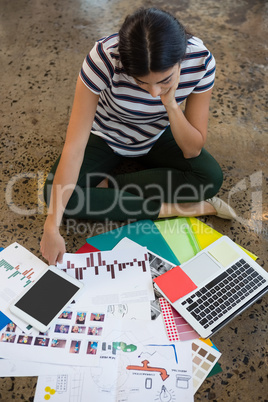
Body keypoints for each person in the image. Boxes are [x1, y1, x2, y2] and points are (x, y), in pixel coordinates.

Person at [40, 7, 236, 265]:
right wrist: (51, 228)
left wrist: (171, 104)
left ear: (180, 59)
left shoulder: (200, 61)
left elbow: (192, 149)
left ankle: (111, 185)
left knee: (209, 176)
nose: (154, 92)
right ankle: (181, 209)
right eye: (141, 82)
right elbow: (75, 146)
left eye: (164, 80)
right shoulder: (103, 58)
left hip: (158, 134)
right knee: (56, 197)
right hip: (106, 134)